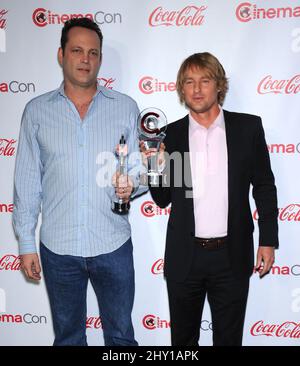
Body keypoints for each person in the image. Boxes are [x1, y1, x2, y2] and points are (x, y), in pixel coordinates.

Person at [13, 17, 146, 346]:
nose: (85, 59)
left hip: (112, 243)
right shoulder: (36, 111)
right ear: (61, 55)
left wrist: (132, 182)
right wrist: (26, 243)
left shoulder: (126, 107)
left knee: (121, 338)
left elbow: (142, 168)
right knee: (69, 338)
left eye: (93, 52)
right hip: (59, 249)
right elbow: (27, 181)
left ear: (100, 59)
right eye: (77, 50)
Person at [145, 52, 279, 346]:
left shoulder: (247, 129)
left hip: (232, 256)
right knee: (183, 343)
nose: (196, 89)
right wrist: (154, 166)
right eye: (189, 82)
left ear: (219, 85)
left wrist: (268, 240)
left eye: (204, 80)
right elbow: (163, 198)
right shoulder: (172, 135)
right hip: (185, 257)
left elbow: (265, 187)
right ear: (181, 89)